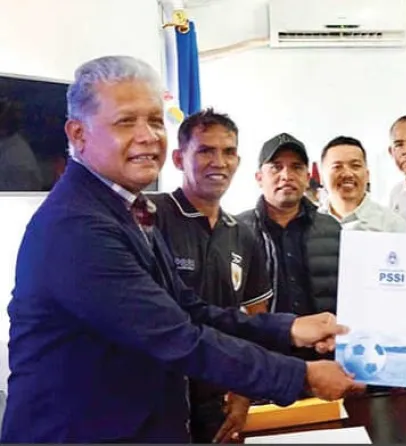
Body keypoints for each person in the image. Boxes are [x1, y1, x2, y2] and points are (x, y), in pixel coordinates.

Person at [1, 55, 363, 443]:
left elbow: (189, 308)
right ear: (78, 135)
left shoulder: (130, 208)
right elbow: (175, 336)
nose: (148, 136)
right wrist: (301, 376)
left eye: (156, 121)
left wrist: (288, 328)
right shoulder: (77, 225)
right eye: (126, 121)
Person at [149, 108, 273, 443]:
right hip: (153, 398)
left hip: (216, 401)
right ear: (178, 159)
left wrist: (244, 392)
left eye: (228, 152)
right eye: (205, 150)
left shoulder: (242, 234)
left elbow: (255, 319)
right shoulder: (151, 216)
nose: (219, 162)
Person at [237, 133, 341, 361]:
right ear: (259, 177)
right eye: (276, 167)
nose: (286, 175)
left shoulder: (332, 229)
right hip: (260, 360)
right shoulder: (236, 230)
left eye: (296, 167)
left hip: (323, 358)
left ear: (307, 177)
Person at [318, 135, 406, 232]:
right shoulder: (310, 223)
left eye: (355, 166)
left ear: (367, 175)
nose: (347, 174)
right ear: (322, 177)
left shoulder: (393, 225)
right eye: (337, 167)